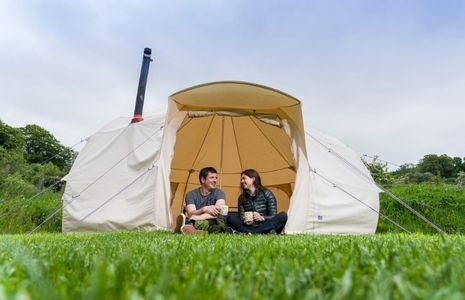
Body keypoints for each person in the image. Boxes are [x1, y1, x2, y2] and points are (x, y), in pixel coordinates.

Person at [227, 169, 288, 234]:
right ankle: (258, 232)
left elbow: (273, 215)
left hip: (264, 225)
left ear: (253, 179)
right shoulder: (242, 198)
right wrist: (245, 220)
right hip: (249, 226)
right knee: (231, 218)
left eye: (244, 178)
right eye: (241, 179)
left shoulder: (267, 194)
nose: (242, 181)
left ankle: (248, 233)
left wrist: (262, 218)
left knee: (283, 216)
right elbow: (241, 216)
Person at [175, 167, 228, 234]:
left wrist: (200, 217)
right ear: (203, 179)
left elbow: (217, 212)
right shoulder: (191, 194)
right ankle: (194, 230)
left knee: (213, 223)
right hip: (195, 220)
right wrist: (203, 209)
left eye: (216, 178)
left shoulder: (220, 193)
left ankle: (187, 227)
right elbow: (191, 213)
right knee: (192, 220)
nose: (215, 180)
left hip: (213, 221)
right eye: (212, 177)